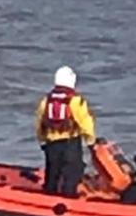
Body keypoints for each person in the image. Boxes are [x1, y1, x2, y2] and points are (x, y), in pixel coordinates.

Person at [35, 65, 96, 197]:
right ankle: (69, 199)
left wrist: (41, 141)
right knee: (72, 173)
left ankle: (48, 197)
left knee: (52, 173)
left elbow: (39, 123)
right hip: (70, 143)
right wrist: (90, 141)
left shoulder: (46, 101)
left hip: (51, 144)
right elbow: (85, 122)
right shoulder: (76, 101)